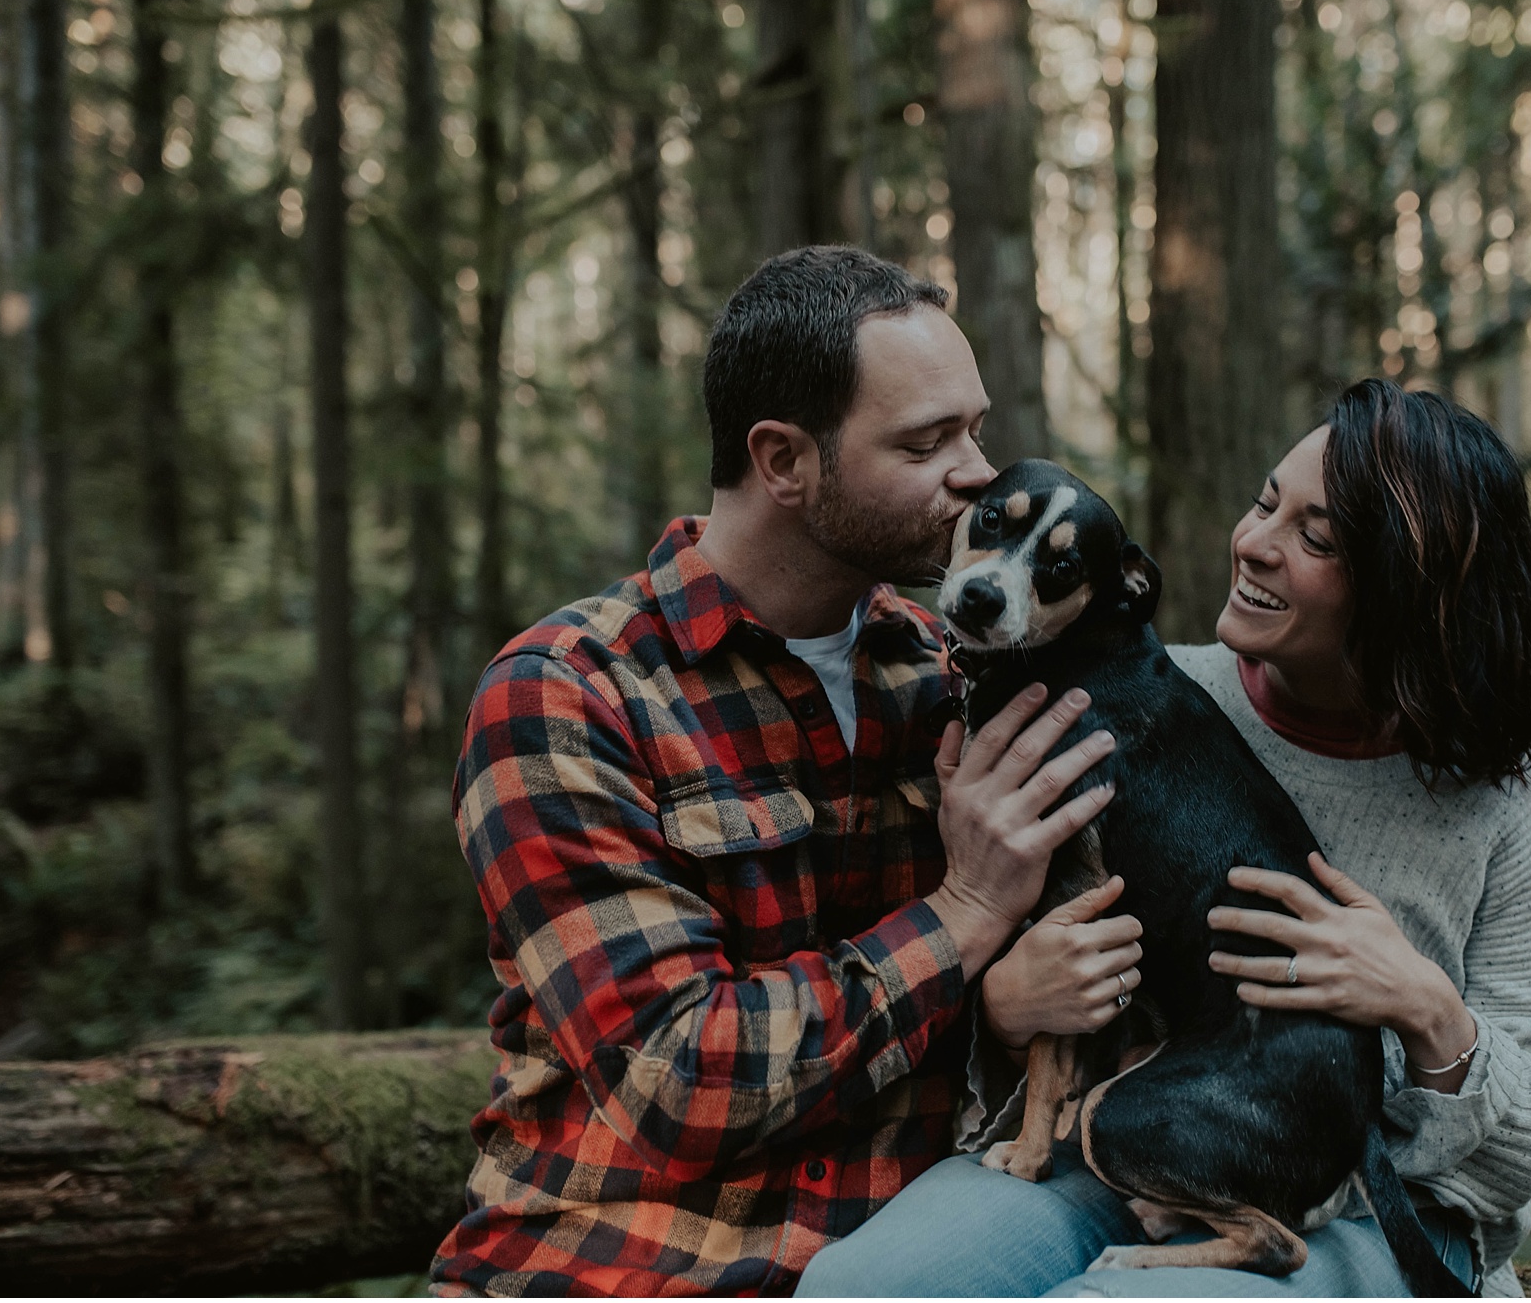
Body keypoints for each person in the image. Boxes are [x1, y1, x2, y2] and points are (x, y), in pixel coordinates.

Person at [428, 246, 1136, 1296]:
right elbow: (683, 1080)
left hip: (906, 1256)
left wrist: (989, 1004)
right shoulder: (567, 697)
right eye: (926, 441)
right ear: (783, 461)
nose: (978, 472)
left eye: (975, 429)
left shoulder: (950, 675)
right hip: (616, 1261)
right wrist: (968, 913)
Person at [798, 378, 1531, 1298]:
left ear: (1408, 597)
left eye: (1315, 538)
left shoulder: (1509, 805)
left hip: (1394, 1212)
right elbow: (1029, 992)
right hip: (1138, 1141)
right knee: (864, 1288)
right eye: (1265, 503)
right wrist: (1008, 1004)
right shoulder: (1123, 697)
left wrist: (1431, 1012)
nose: (1252, 543)